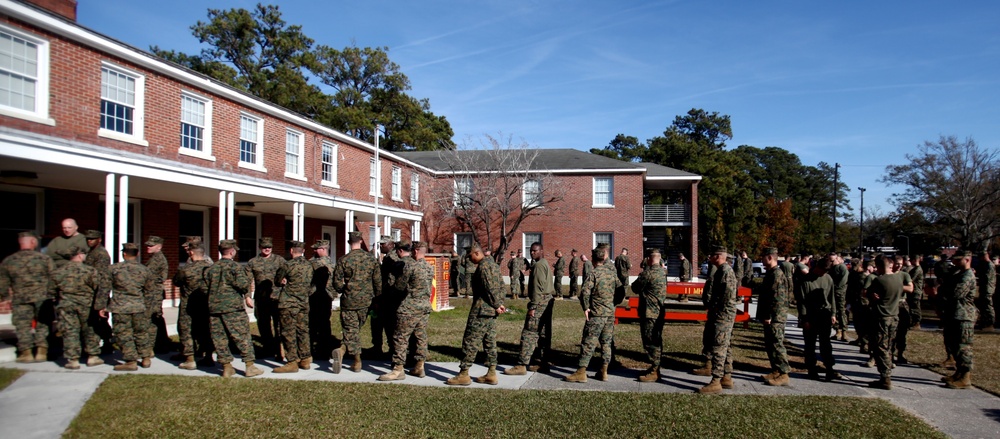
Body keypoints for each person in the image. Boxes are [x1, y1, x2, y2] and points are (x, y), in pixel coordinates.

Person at [446, 243, 506, 386]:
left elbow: (489, 288)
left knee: (470, 340)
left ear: (477, 253)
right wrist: (499, 303)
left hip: (481, 310)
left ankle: (464, 374)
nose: (469, 259)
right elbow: (502, 286)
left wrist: (497, 304)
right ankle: (491, 373)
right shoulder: (493, 265)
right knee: (489, 341)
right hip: (490, 311)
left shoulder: (484, 266)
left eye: (470, 256)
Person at [204, 240, 263, 378]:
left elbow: (206, 286)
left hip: (214, 307)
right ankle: (249, 366)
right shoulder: (235, 267)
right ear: (232, 251)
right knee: (241, 336)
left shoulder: (211, 268)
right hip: (232, 308)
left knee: (219, 338)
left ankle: (226, 367)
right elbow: (243, 285)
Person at [565, 247, 621, 383]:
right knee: (606, 343)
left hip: (596, 314)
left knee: (588, 342)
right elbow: (621, 291)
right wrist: (613, 303)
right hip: (609, 313)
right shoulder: (612, 274)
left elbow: (584, 292)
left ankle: (581, 372)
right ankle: (604, 370)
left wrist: (586, 307)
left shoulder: (593, 274)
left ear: (594, 259)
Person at [379, 241, 434, 381]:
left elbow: (399, 286)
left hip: (409, 308)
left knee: (400, 337)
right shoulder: (429, 267)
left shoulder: (410, 267)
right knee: (420, 337)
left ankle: (398, 369)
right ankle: (419, 365)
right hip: (424, 307)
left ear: (415, 251)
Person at [0, 232, 55, 363]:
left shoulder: (9, 260)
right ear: (33, 243)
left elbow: (3, 282)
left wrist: (6, 298)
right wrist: (52, 294)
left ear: (20, 243)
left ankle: (26, 353)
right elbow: (53, 277)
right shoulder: (45, 259)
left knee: (22, 326)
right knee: (43, 324)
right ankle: (42, 351)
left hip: (20, 298)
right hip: (42, 297)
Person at [332, 232, 381, 373]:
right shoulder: (371, 259)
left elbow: (336, 283)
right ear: (360, 241)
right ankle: (355, 360)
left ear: (349, 242)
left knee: (351, 330)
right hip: (366, 301)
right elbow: (377, 281)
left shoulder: (343, 260)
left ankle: (347, 353)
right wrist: (377, 298)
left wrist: (344, 288)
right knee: (353, 330)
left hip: (349, 300)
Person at [863, 254, 912, 389]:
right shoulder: (898, 279)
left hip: (881, 316)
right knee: (889, 344)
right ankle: (887, 372)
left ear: (878, 266)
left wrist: (872, 296)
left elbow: (869, 294)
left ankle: (885, 377)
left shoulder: (879, 280)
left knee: (880, 347)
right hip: (894, 315)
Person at [504, 242, 554, 375]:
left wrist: (533, 307)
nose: (532, 253)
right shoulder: (544, 263)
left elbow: (538, 288)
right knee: (544, 334)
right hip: (547, 301)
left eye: (535, 251)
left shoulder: (538, 266)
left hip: (539, 302)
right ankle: (543, 363)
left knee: (529, 333)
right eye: (531, 251)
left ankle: (521, 365)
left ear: (541, 251)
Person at [52, 246, 105, 369]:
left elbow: (51, 290)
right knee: (90, 330)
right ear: (80, 255)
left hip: (66, 304)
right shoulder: (90, 271)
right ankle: (92, 356)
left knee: (70, 331)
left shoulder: (59, 271)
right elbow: (98, 287)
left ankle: (73, 359)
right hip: (86, 304)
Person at [107, 243, 155, 371]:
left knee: (123, 334)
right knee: (142, 332)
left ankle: (131, 360)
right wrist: (148, 307)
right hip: (139, 306)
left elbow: (104, 288)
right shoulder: (145, 270)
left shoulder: (113, 269)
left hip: (120, 307)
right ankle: (145, 358)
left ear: (124, 254)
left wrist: (101, 306)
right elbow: (150, 291)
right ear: (137, 254)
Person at [698, 246, 739, 394]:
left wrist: (715, 308)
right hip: (722, 314)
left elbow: (726, 297)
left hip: (723, 315)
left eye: (712, 255)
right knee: (725, 346)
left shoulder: (725, 272)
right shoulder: (721, 271)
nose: (709, 258)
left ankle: (716, 381)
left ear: (718, 256)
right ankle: (726, 377)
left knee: (719, 347)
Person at [796, 257, 842, 382]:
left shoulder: (828, 278)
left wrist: (833, 313)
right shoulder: (805, 280)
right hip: (810, 316)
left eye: (826, 272)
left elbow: (831, 297)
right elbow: (802, 302)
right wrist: (804, 319)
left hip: (824, 315)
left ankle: (829, 369)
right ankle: (811, 368)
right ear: (817, 267)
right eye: (822, 271)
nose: (823, 274)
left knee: (825, 344)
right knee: (810, 345)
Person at [273, 241, 314, 373]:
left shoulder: (287, 265)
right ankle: (305, 358)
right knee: (303, 330)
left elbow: (277, 280)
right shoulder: (309, 265)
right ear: (303, 251)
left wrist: (283, 281)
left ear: (291, 250)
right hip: (303, 302)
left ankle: (291, 362)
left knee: (288, 332)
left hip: (289, 303)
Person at [172, 245, 214, 370]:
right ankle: (208, 356)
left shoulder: (185, 269)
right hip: (206, 304)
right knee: (207, 330)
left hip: (189, 305)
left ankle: (190, 359)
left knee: (187, 330)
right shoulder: (211, 269)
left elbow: (177, 282)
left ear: (191, 253)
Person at [940, 250, 977, 389]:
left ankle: (965, 377)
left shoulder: (967, 276)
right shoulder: (958, 274)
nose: (954, 262)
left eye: (957, 260)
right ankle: (959, 373)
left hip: (964, 316)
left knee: (963, 347)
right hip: (954, 314)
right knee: (954, 345)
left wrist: (945, 288)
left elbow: (956, 293)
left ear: (967, 259)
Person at [246, 237, 285, 361]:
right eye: (264, 247)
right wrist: (248, 297)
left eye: (269, 247)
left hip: (277, 297)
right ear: (259, 248)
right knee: (263, 325)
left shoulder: (279, 260)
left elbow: (289, 272)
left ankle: (280, 350)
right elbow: (247, 281)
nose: (267, 249)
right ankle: (268, 348)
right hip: (261, 299)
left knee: (279, 324)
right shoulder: (253, 262)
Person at [631, 248, 668, 382]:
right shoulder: (663, 273)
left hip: (650, 313)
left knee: (651, 342)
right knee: (657, 341)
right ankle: (655, 368)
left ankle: (654, 370)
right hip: (659, 311)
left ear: (649, 259)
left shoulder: (648, 273)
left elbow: (634, 287)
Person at [757, 247, 791, 386]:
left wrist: (769, 315)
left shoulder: (777, 274)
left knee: (777, 345)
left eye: (763, 257)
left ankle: (784, 373)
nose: (761, 260)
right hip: (771, 316)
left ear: (770, 258)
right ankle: (776, 370)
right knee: (770, 345)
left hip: (775, 317)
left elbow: (777, 298)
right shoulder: (771, 273)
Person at [83, 229, 114, 354]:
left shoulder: (101, 254)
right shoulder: (91, 252)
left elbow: (102, 278)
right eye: (88, 239)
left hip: (98, 292)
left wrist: (101, 300)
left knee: (99, 320)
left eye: (92, 239)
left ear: (99, 239)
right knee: (94, 320)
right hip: (90, 292)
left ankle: (106, 342)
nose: (89, 241)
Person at [372, 236, 402, 357]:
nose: (381, 246)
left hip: (390, 296)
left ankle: (391, 348)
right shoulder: (388, 257)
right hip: (388, 296)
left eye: (383, 244)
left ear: (391, 245)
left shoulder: (391, 258)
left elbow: (389, 279)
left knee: (389, 324)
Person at [309, 239, 335, 362]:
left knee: (315, 324)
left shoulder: (316, 263)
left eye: (317, 249)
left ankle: (317, 350)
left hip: (316, 296)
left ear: (323, 249)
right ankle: (325, 350)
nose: (314, 251)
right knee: (324, 324)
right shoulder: (331, 262)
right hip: (326, 297)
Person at [143, 236, 168, 355]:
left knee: (152, 319)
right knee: (156, 318)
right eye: (148, 245)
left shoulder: (157, 259)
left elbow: (147, 277)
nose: (148, 247)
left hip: (153, 293)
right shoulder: (154, 258)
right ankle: (161, 343)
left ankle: (153, 346)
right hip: (153, 292)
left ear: (159, 247)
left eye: (151, 245)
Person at [891, 255, 914, 364]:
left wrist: (895, 286)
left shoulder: (904, 275)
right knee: (891, 331)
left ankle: (900, 353)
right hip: (891, 305)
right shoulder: (888, 275)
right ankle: (890, 354)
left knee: (902, 331)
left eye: (901, 264)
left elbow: (910, 288)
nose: (899, 266)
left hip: (901, 304)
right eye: (897, 263)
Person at [829, 253, 850, 341]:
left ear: (838, 259)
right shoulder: (831, 268)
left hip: (840, 293)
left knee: (842, 311)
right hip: (833, 292)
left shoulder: (842, 267)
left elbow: (844, 280)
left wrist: (837, 289)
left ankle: (844, 332)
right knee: (834, 312)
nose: (831, 262)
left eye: (833, 260)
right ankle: (837, 330)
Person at [975, 251, 995, 331]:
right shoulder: (985, 265)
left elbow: (987, 278)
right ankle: (984, 321)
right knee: (983, 305)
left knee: (988, 306)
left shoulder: (989, 265)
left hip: (988, 288)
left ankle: (990, 322)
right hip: (985, 288)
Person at [908, 254, 925, 330]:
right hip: (913, 291)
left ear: (915, 260)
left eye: (911, 260)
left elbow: (910, 279)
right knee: (912, 307)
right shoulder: (915, 269)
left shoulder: (918, 269)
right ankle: (913, 322)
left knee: (916, 308)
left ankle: (917, 323)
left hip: (916, 291)